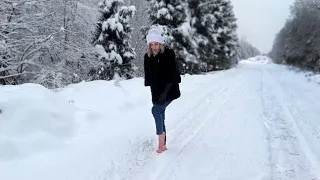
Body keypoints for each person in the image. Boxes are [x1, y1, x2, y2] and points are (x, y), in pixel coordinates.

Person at [144, 28, 181, 153]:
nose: (154, 47)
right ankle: (163, 145)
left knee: (155, 110)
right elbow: (149, 79)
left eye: (156, 44)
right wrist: (154, 95)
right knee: (161, 114)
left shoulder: (169, 54)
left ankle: (160, 144)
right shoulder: (147, 57)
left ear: (160, 43)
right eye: (152, 44)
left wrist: (165, 93)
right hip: (156, 92)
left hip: (169, 90)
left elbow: (173, 75)